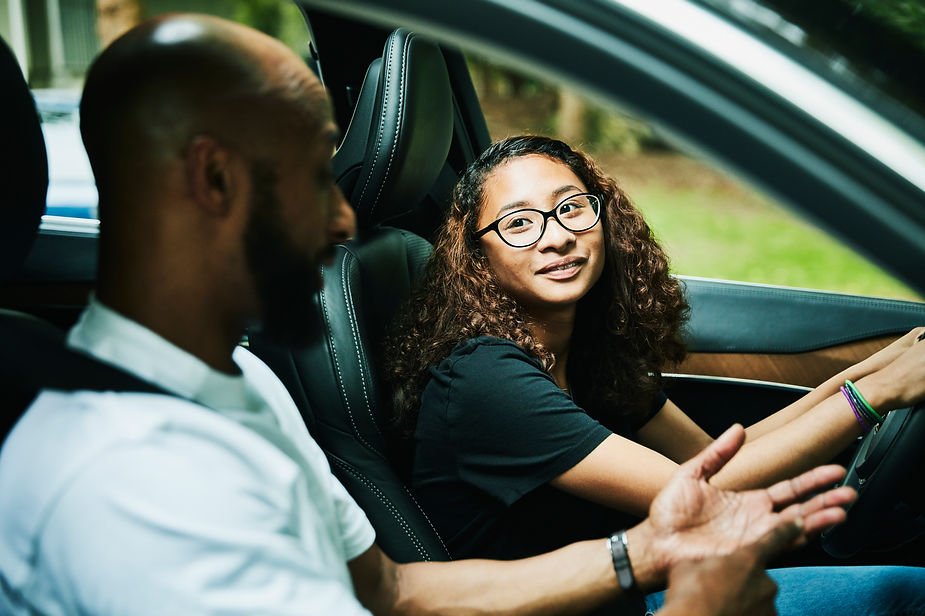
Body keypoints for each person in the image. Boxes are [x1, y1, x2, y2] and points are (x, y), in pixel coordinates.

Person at [0, 13, 856, 616]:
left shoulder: (240, 382)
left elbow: (394, 593)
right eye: (313, 177)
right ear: (215, 180)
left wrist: (644, 555)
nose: (342, 222)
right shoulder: (131, 480)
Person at [389, 135, 925, 614]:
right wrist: (872, 396)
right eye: (519, 223)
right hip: (611, 606)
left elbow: (713, 457)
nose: (556, 237)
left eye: (572, 207)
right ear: (478, 257)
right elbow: (696, 493)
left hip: (629, 596)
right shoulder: (484, 378)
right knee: (904, 594)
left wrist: (879, 366)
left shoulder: (588, 352)